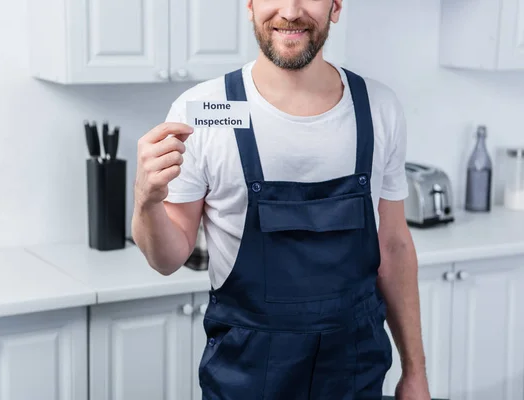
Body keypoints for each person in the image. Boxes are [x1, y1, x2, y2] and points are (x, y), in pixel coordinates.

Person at [132, 0, 431, 398]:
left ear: (336, 6)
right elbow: (167, 260)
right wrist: (146, 201)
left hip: (355, 372)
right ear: (251, 5)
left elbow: (393, 247)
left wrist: (415, 372)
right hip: (246, 376)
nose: (290, 11)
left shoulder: (379, 108)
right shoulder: (206, 112)